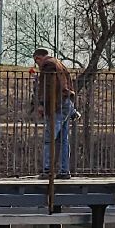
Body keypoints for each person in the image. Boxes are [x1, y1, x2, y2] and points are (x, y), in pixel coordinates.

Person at [31, 47, 76, 179]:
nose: (37, 65)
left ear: (38, 58)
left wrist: (42, 104)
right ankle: (64, 170)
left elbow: (48, 86)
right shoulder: (59, 63)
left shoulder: (48, 65)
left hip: (56, 105)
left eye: (36, 61)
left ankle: (47, 170)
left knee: (49, 139)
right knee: (63, 139)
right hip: (66, 102)